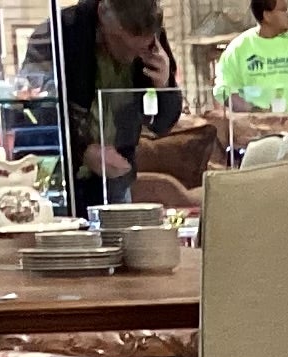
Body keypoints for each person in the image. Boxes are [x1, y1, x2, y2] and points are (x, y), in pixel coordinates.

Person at [19, 0, 185, 209]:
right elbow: (32, 112)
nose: (131, 56)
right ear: (103, 14)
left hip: (116, 180)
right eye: (122, 43)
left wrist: (165, 86)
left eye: (140, 49)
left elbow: (163, 124)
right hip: (58, 180)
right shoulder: (59, 33)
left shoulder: (152, 38)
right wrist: (83, 150)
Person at [215, 0, 288, 117]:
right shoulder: (237, 49)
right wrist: (254, 112)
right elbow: (224, 90)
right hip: (252, 131)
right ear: (267, 16)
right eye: (283, 10)